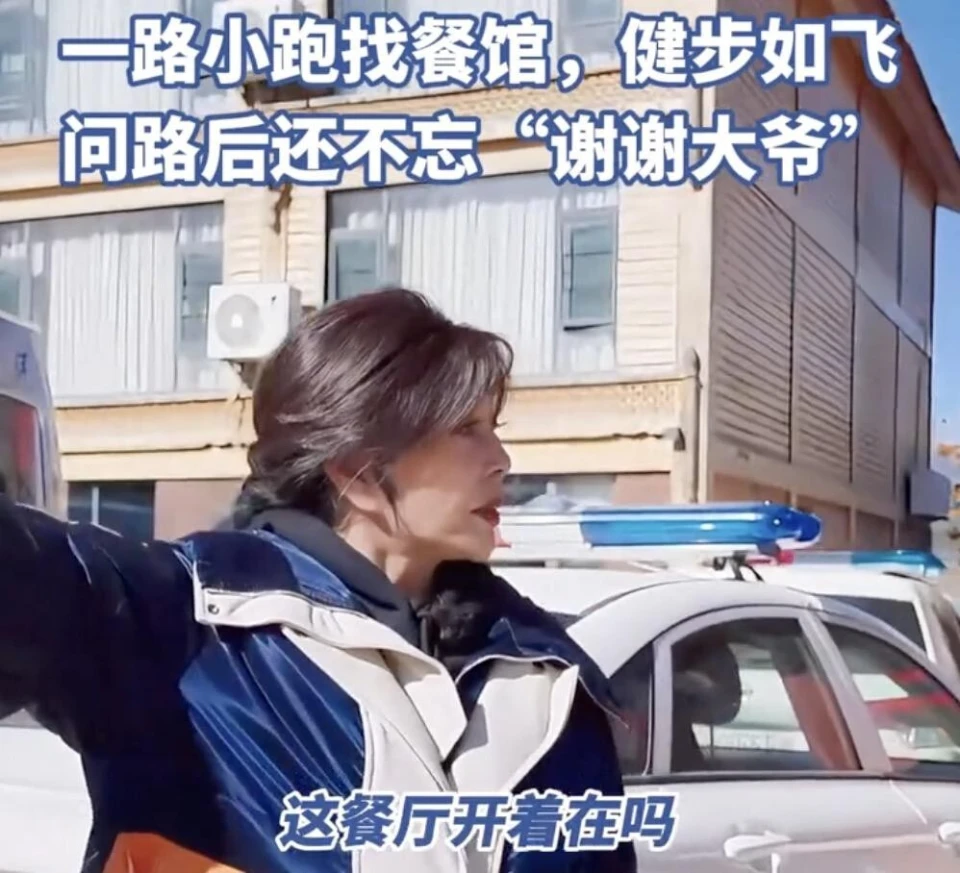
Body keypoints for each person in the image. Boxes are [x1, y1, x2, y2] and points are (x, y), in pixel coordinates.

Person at [0, 288, 635, 873]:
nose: (502, 460)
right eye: (467, 429)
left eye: (494, 428)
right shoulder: (180, 619)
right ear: (358, 466)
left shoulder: (548, 679)